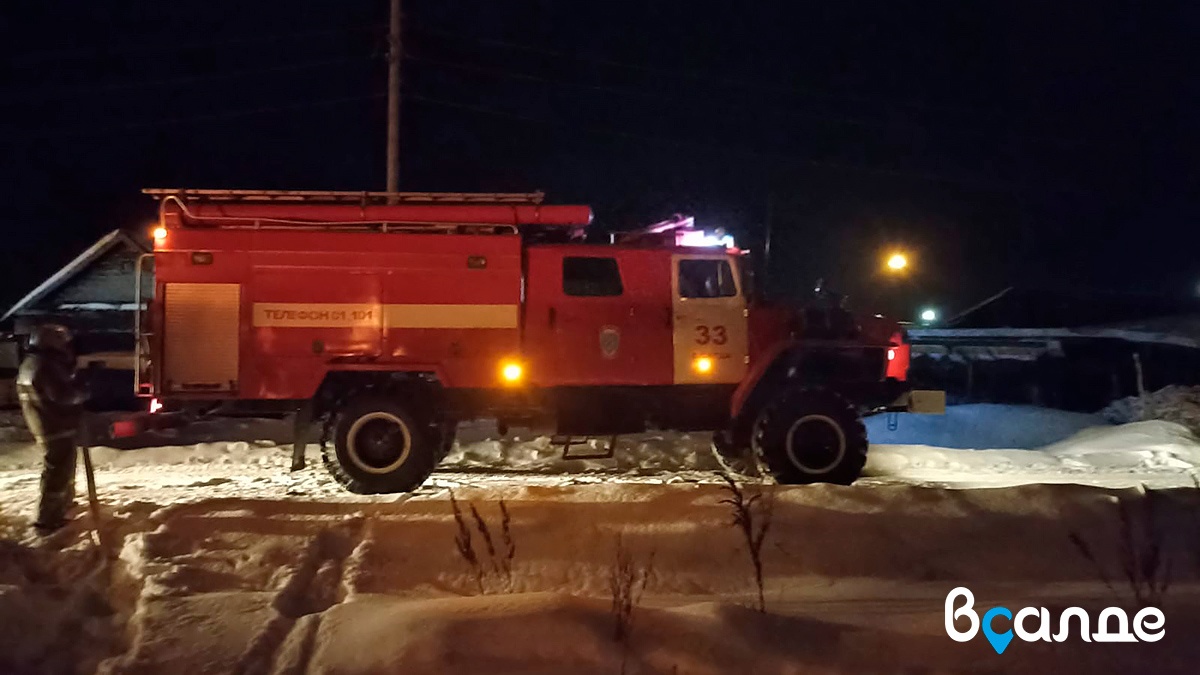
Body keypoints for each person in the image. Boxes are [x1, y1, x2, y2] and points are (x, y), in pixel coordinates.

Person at [17, 324, 88, 535]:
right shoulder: (45, 366)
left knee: (62, 468)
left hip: (47, 423)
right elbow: (62, 395)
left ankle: (62, 506)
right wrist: (84, 391)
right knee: (57, 472)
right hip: (56, 424)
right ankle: (48, 519)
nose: (65, 348)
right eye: (62, 343)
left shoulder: (31, 364)